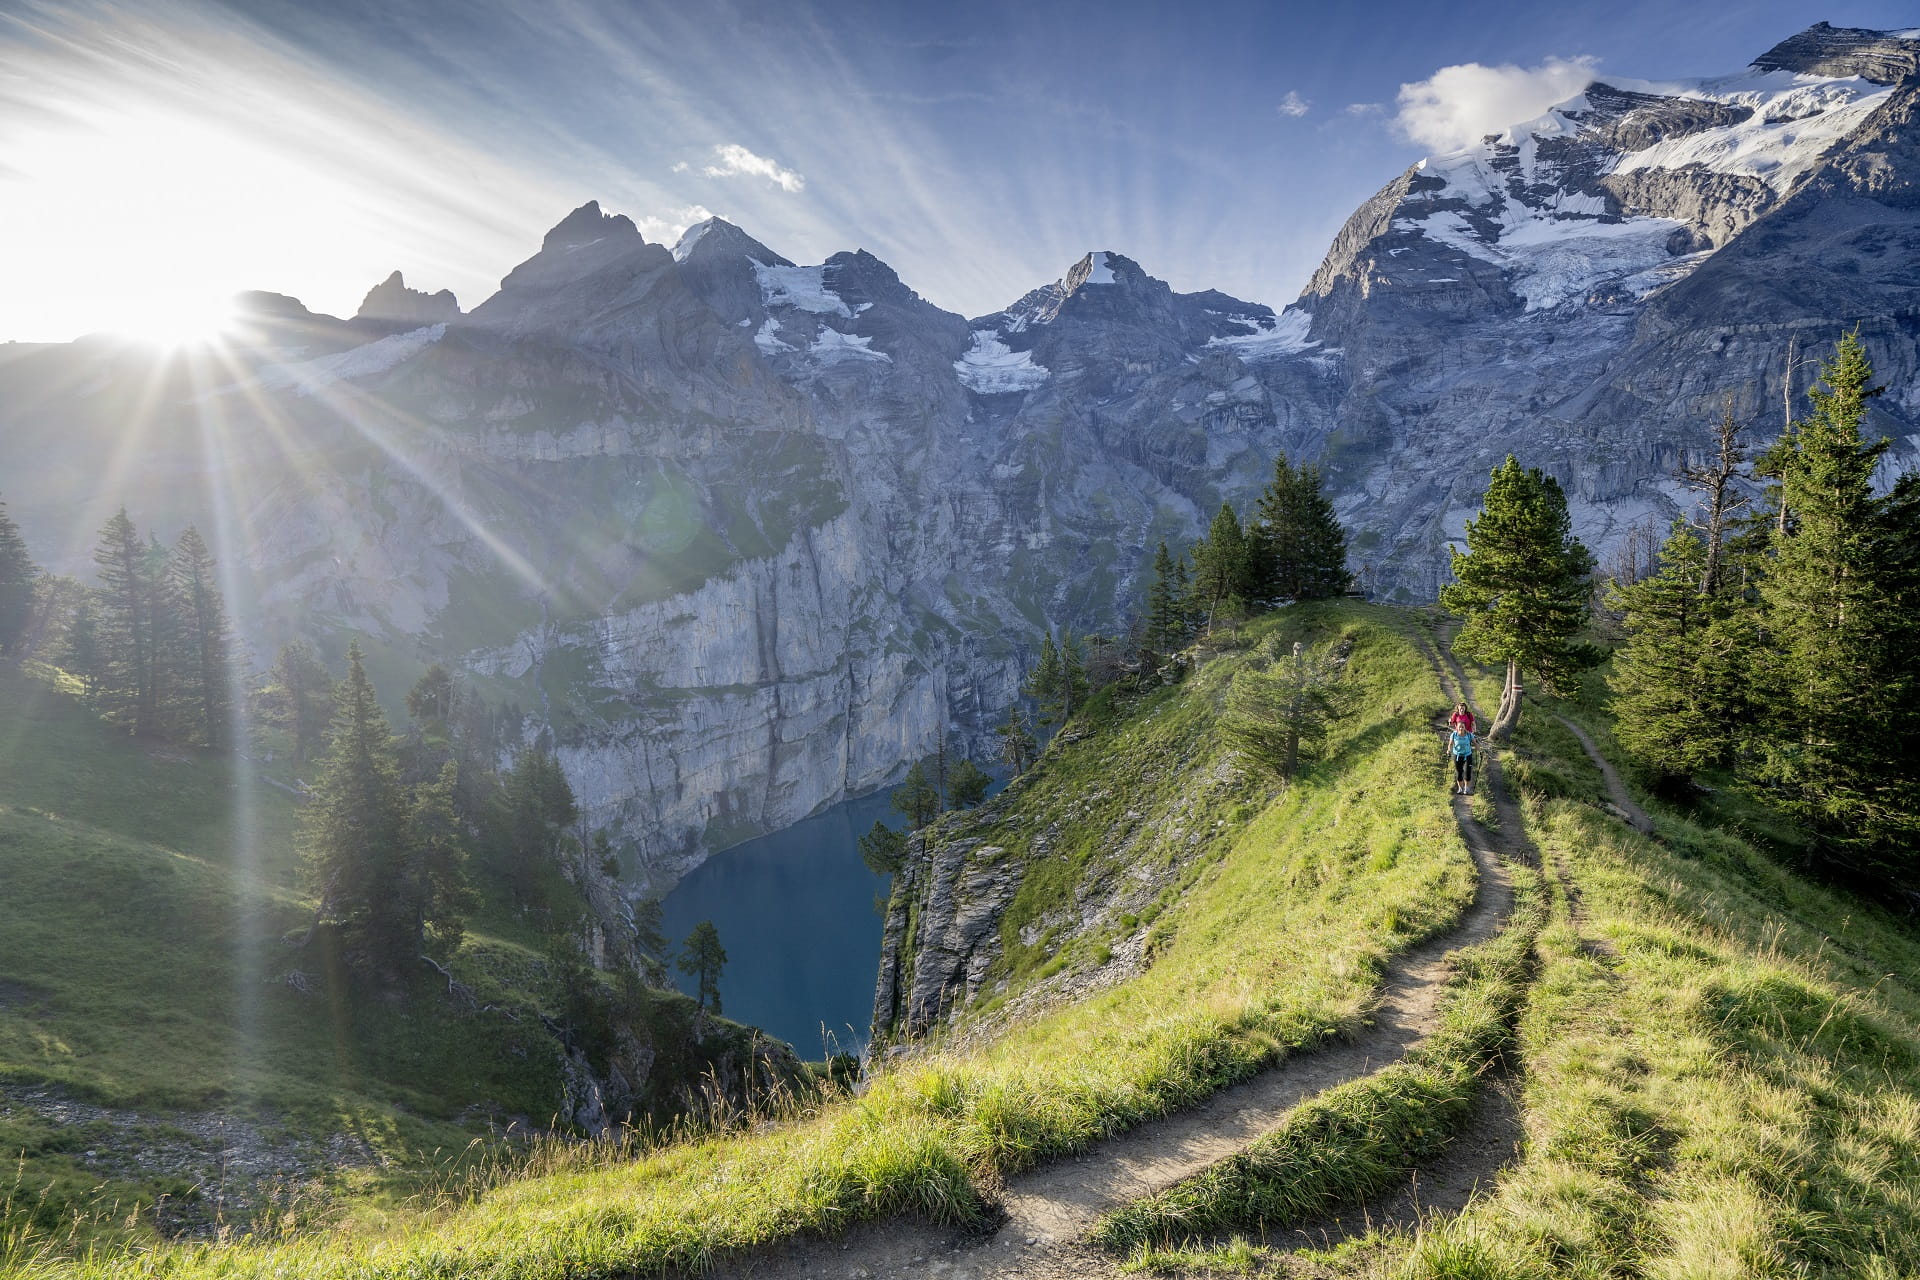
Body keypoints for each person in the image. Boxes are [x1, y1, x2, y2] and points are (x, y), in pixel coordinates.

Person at [1448, 726, 1475, 795]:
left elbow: (1475, 743)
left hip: (1467, 755)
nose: (1461, 728)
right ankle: (1460, 788)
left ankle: (1466, 788)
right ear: (1457, 728)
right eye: (1459, 727)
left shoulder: (1469, 735)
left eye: (1462, 727)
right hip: (1457, 755)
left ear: (1464, 728)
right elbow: (1450, 743)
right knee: (1459, 772)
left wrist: (1479, 749)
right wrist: (1448, 750)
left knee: (1467, 772)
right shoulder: (1454, 734)